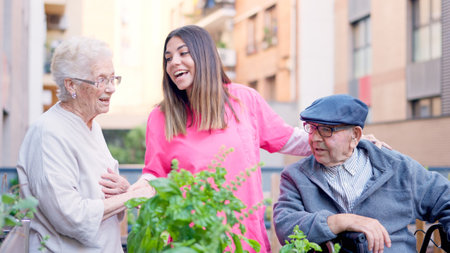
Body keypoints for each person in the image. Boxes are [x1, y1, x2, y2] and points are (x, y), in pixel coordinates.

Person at [128, 25, 386, 252]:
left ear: (204, 56)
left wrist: (353, 142)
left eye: (183, 53)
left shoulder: (243, 100)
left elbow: (290, 139)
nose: (174, 62)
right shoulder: (161, 117)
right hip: (190, 240)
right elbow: (154, 174)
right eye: (168, 58)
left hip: (243, 238)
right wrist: (130, 193)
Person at [15, 37, 153, 252]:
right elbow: (69, 215)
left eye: (113, 78)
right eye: (101, 80)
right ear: (71, 85)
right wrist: (132, 196)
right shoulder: (49, 133)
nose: (111, 88)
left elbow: (101, 195)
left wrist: (123, 190)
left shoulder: (92, 127)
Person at [273, 94, 450, 253]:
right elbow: (285, 227)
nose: (314, 138)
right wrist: (341, 221)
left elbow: (445, 199)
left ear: (355, 136)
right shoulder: (295, 176)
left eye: (326, 130)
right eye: (311, 128)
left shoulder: (398, 168)